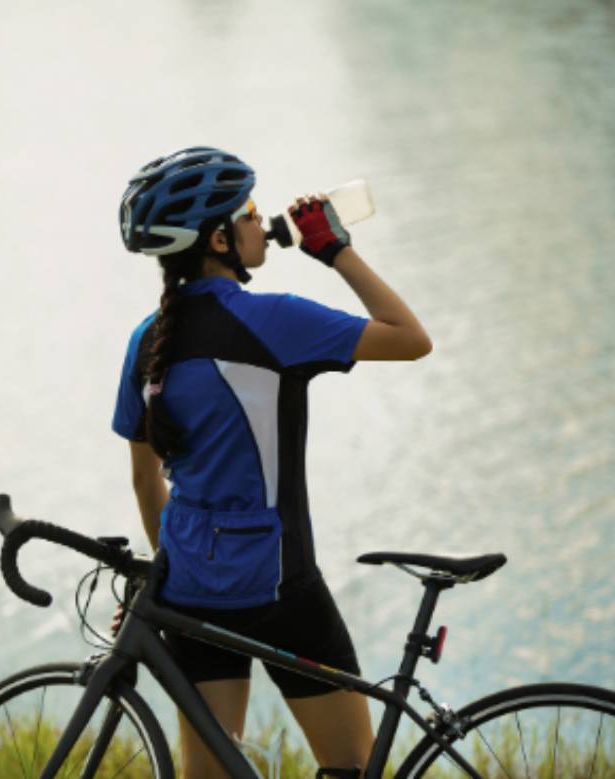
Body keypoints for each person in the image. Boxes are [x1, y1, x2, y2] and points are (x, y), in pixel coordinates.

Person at [111, 147, 431, 779]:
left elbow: (145, 477)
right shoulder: (274, 321)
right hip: (283, 588)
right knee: (350, 769)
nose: (263, 224)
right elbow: (411, 338)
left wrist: (170, 566)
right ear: (219, 238)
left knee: (209, 775)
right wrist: (336, 250)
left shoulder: (147, 340)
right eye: (250, 214)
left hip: (190, 592)